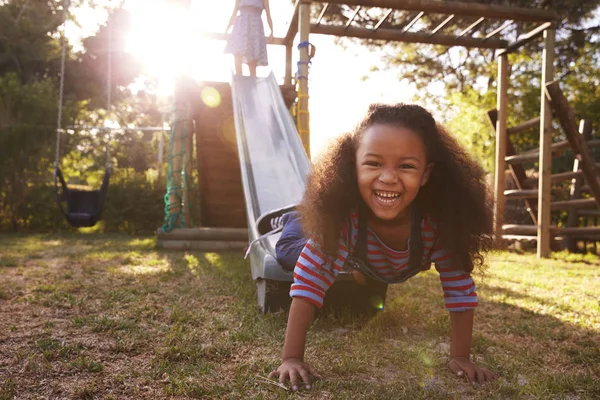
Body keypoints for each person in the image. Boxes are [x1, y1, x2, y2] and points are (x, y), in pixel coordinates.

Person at [268, 103, 497, 390]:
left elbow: (460, 289)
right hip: (320, 234)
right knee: (291, 253)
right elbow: (308, 284)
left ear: (426, 174)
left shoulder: (438, 225)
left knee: (363, 274)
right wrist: (291, 357)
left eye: (406, 166)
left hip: (372, 261)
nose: (388, 177)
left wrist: (460, 356)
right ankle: (293, 217)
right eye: (374, 163)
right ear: (354, 167)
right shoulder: (343, 221)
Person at [224, 0, 274, 77]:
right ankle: (239, 78)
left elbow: (268, 14)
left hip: (255, 26)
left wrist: (271, 30)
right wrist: (227, 29)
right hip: (241, 24)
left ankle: (252, 82)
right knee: (237, 53)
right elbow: (234, 12)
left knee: (252, 58)